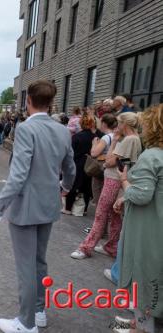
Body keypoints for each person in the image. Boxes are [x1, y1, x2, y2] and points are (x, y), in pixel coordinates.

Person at [0, 80, 76, 333]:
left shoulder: (26, 129)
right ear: (51, 103)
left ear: (28, 101)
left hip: (26, 208)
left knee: (26, 266)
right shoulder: (62, 130)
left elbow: (18, 174)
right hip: (48, 205)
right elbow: (70, 167)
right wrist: (65, 187)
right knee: (39, 262)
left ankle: (26, 324)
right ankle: (38, 312)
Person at [111, 105, 163, 333]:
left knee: (145, 277)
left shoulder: (153, 156)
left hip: (149, 229)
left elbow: (142, 195)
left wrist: (124, 183)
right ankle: (141, 323)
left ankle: (143, 327)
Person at [71, 112, 142, 260]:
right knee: (114, 216)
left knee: (101, 214)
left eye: (119, 123)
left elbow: (110, 161)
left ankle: (86, 247)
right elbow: (124, 161)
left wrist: (115, 142)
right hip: (118, 180)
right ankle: (111, 246)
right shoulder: (135, 139)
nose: (117, 127)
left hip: (113, 180)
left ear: (124, 124)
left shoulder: (129, 140)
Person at [63, 113, 97, 215]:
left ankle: (68, 208)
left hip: (77, 163)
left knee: (74, 186)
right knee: (87, 187)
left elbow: (71, 151)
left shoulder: (76, 137)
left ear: (81, 124)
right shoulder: (95, 137)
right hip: (90, 164)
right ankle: (84, 209)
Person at [90, 113, 118, 204]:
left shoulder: (106, 137)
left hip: (101, 166)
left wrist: (94, 143)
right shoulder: (116, 135)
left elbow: (94, 153)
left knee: (98, 189)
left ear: (104, 124)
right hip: (113, 167)